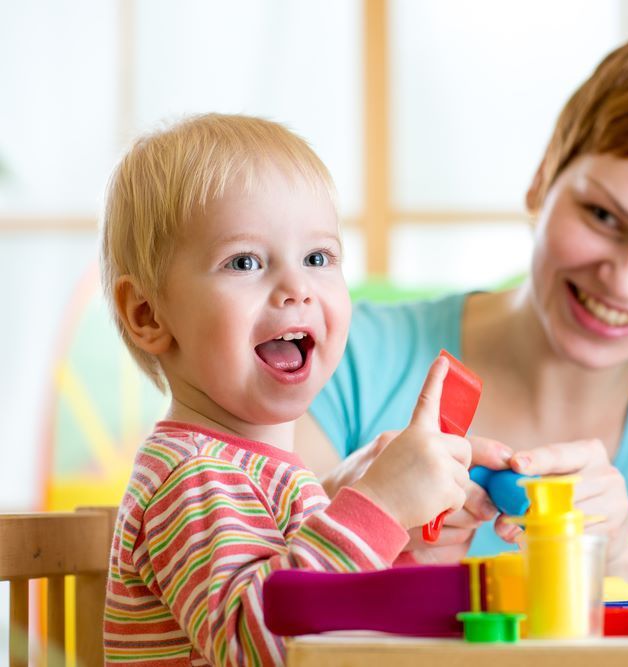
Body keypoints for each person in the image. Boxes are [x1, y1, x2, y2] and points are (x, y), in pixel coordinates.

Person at [297, 27, 628, 581]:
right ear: (543, 179)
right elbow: (251, 609)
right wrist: (349, 510)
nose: (625, 278)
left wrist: (622, 564)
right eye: (604, 217)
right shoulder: (344, 352)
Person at [100, 113, 487, 665]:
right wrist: (378, 506)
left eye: (317, 258)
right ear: (149, 314)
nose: (297, 288)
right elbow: (258, 640)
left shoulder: (268, 473)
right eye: (245, 261)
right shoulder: (192, 476)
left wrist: (403, 540)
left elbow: (333, 612)